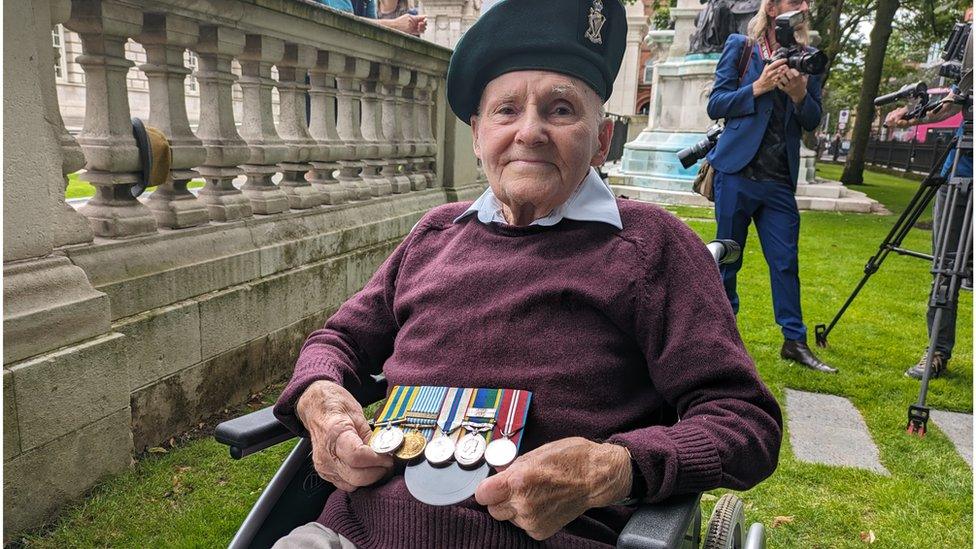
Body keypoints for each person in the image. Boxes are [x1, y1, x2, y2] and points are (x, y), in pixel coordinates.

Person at [272, 1, 782, 547]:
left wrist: (616, 467)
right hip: (358, 531)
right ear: (477, 134)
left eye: (560, 110)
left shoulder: (651, 247)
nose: (530, 132)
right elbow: (337, 339)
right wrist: (319, 398)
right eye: (506, 111)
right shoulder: (435, 236)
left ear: (602, 138)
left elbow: (743, 422)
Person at [705, 0, 836, 373]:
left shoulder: (810, 58)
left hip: (778, 179)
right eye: (795, 0)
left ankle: (794, 342)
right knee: (728, 259)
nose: (804, 6)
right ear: (773, 6)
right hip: (736, 172)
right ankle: (720, 340)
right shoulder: (742, 47)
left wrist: (797, 94)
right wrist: (759, 87)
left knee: (785, 263)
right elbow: (716, 104)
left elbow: (811, 118)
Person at [885, 8, 972, 380]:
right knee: (944, 265)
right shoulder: (970, 46)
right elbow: (955, 100)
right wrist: (913, 115)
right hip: (962, 165)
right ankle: (936, 351)